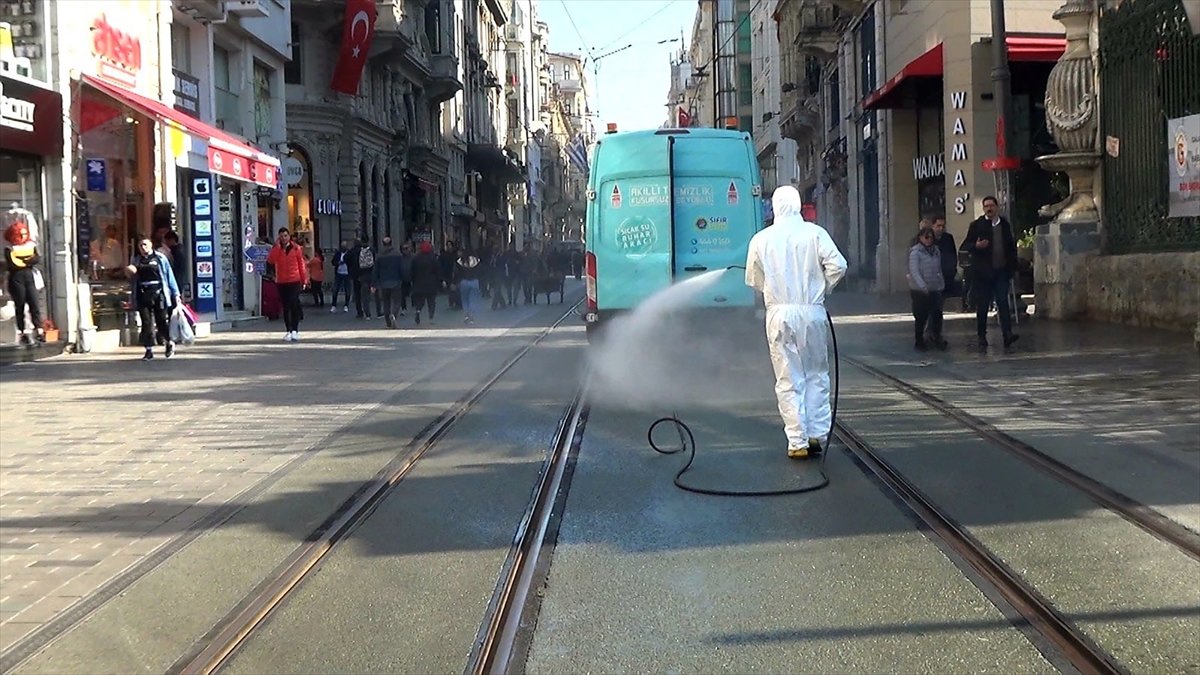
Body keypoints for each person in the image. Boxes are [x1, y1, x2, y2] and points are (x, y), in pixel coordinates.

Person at [744, 185, 847, 460]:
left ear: (775, 206)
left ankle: (797, 441)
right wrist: (823, 287)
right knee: (816, 373)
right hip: (811, 311)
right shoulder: (815, 233)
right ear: (799, 204)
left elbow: (753, 278)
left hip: (779, 313)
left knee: (788, 377)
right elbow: (838, 265)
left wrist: (774, 291)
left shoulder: (761, 239)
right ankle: (816, 434)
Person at [961, 196, 1019, 348]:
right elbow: (966, 245)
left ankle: (1007, 333)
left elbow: (1011, 247)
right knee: (983, 305)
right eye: (986, 206)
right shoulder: (977, 225)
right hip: (983, 273)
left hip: (1001, 271)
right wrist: (976, 246)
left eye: (991, 205)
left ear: (997, 207)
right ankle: (981, 335)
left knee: (1002, 301)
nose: (989, 209)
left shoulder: (1004, 225)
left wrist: (1012, 268)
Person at [125, 237, 181, 360]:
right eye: (140, 245)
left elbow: (169, 276)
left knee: (161, 321)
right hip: (143, 293)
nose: (143, 247)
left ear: (151, 245)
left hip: (159, 293)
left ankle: (169, 342)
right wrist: (129, 271)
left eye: (145, 244)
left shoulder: (160, 258)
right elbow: (132, 279)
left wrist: (176, 294)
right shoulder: (137, 260)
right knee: (146, 323)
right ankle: (149, 350)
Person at [4, 221, 45, 347]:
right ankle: (22, 332)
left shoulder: (30, 245)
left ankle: (39, 330)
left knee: (34, 304)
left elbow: (36, 258)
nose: (23, 237)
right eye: (20, 234)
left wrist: (26, 261)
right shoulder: (10, 248)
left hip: (29, 277)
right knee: (20, 305)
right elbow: (14, 263)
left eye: (25, 234)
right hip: (16, 279)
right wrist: (27, 261)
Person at [266, 227, 309, 342]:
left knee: (293, 303)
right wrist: (277, 247)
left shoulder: (296, 248)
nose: (283, 238)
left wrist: (304, 280)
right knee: (286, 307)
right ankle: (289, 330)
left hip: (294, 280)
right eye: (281, 236)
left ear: (289, 236)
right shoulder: (277, 248)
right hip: (282, 281)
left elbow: (301, 265)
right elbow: (271, 260)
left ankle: (295, 330)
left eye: (285, 236)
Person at [908, 226, 947, 351]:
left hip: (935, 287)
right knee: (921, 316)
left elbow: (939, 268)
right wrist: (922, 286)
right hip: (919, 290)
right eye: (926, 237)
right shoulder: (915, 252)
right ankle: (919, 341)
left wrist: (941, 284)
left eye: (931, 237)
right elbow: (914, 271)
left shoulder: (936, 251)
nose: (928, 239)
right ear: (920, 238)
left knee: (937, 314)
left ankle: (936, 337)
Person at [371, 236, 404, 328]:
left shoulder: (379, 256)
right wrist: (403, 279)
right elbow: (401, 268)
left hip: (383, 282)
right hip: (396, 281)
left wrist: (373, 284)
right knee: (397, 301)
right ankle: (394, 314)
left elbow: (375, 271)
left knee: (386, 302)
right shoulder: (397, 254)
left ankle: (388, 322)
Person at [410, 240, 442, 325]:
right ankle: (431, 317)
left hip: (419, 283)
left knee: (420, 300)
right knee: (431, 301)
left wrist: (413, 281)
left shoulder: (416, 258)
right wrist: (439, 281)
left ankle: (418, 310)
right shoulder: (433, 258)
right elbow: (437, 271)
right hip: (431, 284)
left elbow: (412, 271)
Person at [453, 247, 484, 325]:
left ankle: (466, 316)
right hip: (474, 281)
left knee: (464, 299)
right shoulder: (476, 260)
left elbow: (457, 273)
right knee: (473, 300)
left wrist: (454, 282)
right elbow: (481, 272)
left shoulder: (459, 261)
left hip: (464, 282)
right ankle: (472, 317)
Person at [930, 215, 958, 299]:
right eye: (938, 226)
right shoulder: (928, 238)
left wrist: (952, 269)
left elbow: (953, 253)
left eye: (943, 226)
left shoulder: (948, 237)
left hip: (947, 273)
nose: (941, 228)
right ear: (933, 226)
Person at [330, 241, 352, 313]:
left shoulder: (349, 254)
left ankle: (346, 305)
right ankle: (334, 305)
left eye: (344, 246)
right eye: (342, 247)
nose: (343, 248)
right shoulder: (338, 254)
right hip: (339, 273)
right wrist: (337, 263)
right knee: (335, 289)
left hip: (347, 273)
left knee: (347, 290)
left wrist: (346, 261)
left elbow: (352, 262)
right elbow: (333, 262)